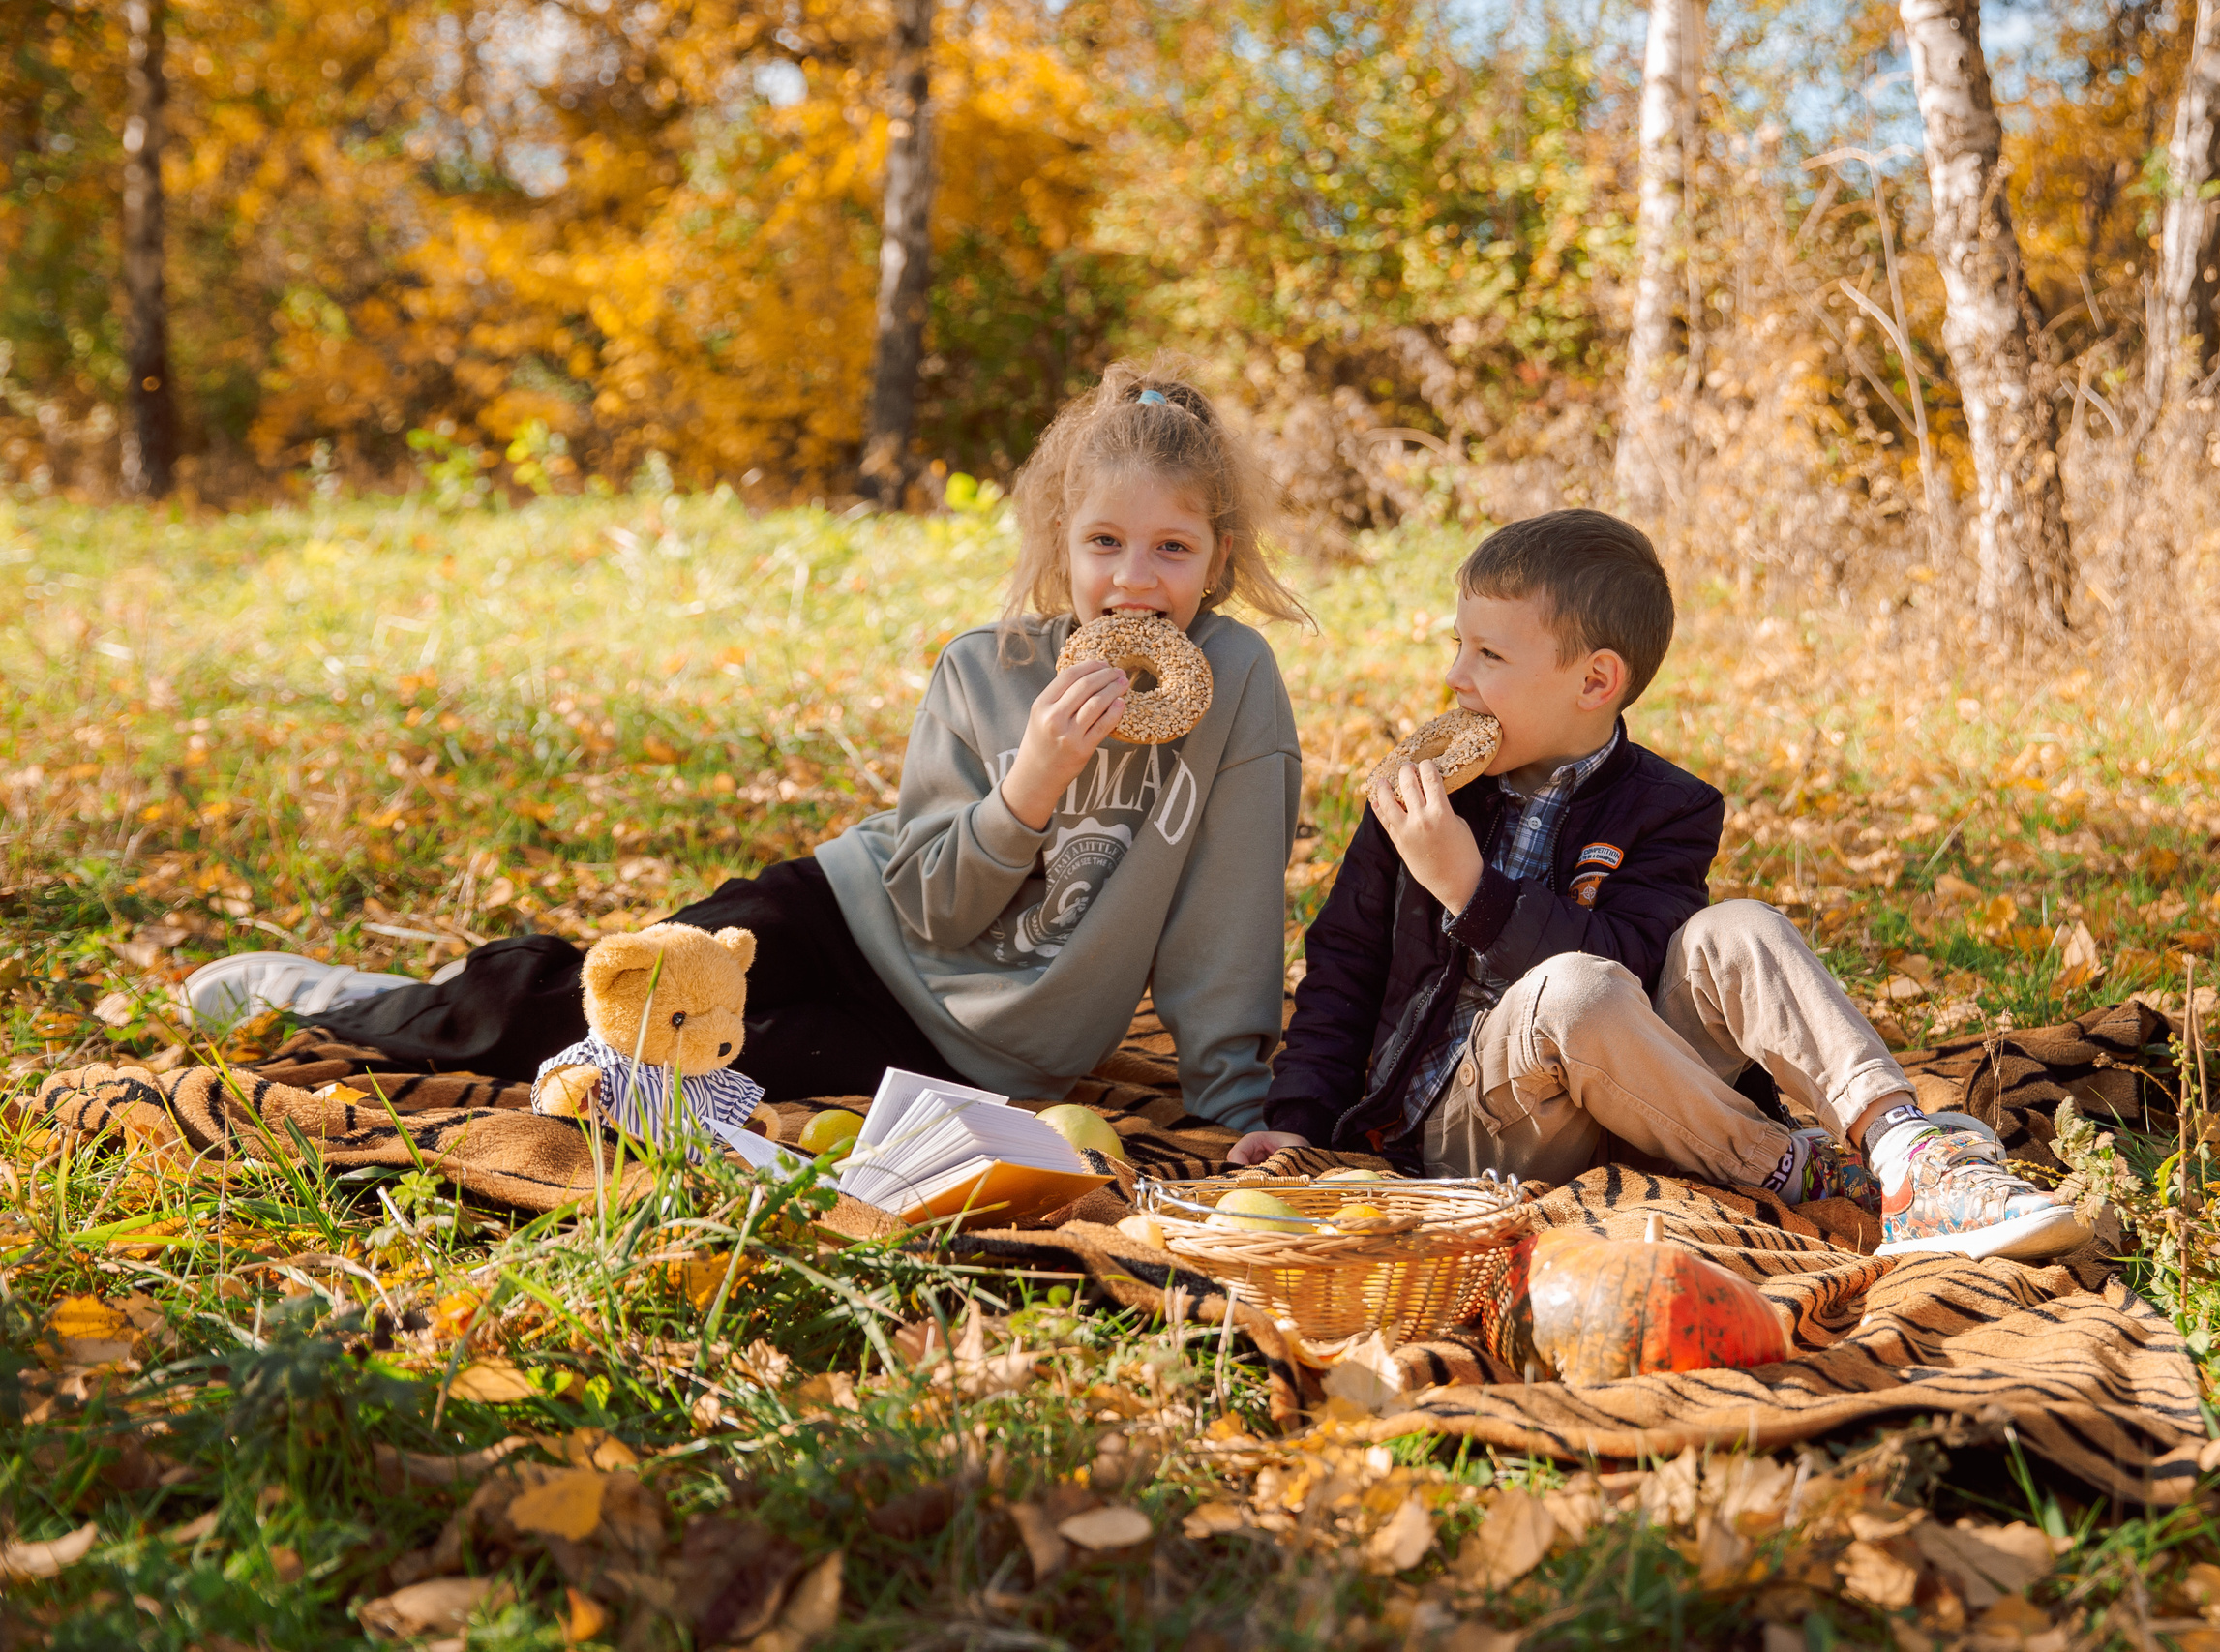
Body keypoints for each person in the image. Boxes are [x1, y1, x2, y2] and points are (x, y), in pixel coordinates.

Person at [181, 362, 1309, 1132]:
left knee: (659, 1077)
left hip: (975, 1056)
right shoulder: (985, 669)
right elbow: (932, 905)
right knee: (626, 1002)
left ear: (1217, 560)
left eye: (1171, 547)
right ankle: (364, 1004)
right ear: (1058, 545)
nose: (1133, 578)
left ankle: (453, 1001)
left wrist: (1232, 1112)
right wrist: (1031, 783)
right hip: (847, 908)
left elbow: (1229, 911)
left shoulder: (1239, 687)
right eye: (1104, 541)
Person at [1228, 510, 2085, 1261]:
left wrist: (1472, 889)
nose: (1457, 675)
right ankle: (1791, 1165)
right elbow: (1342, 963)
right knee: (1572, 990)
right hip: (1471, 1125)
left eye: (1488, 653)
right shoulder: (1423, 796)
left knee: (1740, 927)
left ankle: (1906, 1155)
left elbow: (1638, 962)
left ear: (1595, 681)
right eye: (1459, 644)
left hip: (1632, 1084)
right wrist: (1298, 1122)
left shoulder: (1667, 807)